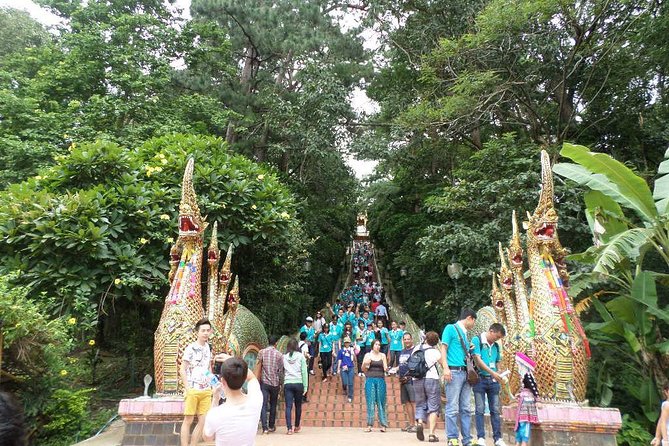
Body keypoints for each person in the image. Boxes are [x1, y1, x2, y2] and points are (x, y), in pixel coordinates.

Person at [440, 308, 478, 446]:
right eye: (474, 322)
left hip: (466, 373)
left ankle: (467, 439)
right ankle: (452, 438)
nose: (473, 325)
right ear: (469, 318)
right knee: (452, 407)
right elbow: (443, 348)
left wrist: (470, 349)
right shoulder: (450, 328)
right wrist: (445, 368)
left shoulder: (465, 334)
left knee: (466, 408)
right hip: (454, 372)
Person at [472, 323, 507, 446]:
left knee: (495, 410)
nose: (497, 339)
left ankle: (498, 438)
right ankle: (481, 437)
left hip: (493, 381)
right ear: (491, 331)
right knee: (480, 409)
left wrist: (500, 374)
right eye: (496, 337)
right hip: (479, 379)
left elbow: (497, 362)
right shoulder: (477, 340)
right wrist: (493, 373)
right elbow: (478, 361)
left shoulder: (496, 346)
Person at [180, 318, 214, 446]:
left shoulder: (208, 348)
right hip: (193, 389)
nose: (205, 333)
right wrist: (188, 388)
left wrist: (212, 384)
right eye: (203, 330)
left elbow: (208, 367)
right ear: (197, 332)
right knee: (188, 420)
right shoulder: (191, 348)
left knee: (203, 421)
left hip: (206, 390)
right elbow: (182, 369)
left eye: (207, 330)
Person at [414, 331, 443, 443]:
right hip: (431, 379)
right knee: (433, 405)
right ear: (435, 342)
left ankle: (420, 422)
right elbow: (443, 363)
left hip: (417, 379)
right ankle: (431, 434)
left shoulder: (417, 348)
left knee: (420, 403)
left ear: (425, 339)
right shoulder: (435, 352)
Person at [256, 335, 284, 435]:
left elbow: (258, 366)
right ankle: (271, 426)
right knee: (273, 404)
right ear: (276, 343)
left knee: (263, 405)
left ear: (268, 342)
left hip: (264, 383)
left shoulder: (261, 352)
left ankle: (265, 428)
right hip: (275, 383)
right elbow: (280, 371)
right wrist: (281, 383)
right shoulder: (279, 355)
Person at [362, 339, 388, 432]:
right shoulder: (367, 355)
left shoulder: (383, 355)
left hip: (380, 379)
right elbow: (363, 369)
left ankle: (383, 425)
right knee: (370, 401)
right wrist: (365, 363)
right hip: (370, 379)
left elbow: (385, 367)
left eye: (379, 345)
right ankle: (369, 425)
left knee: (381, 402)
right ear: (372, 345)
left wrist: (387, 368)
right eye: (376, 344)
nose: (378, 346)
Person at [283, 338, 309, 435]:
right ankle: (297, 426)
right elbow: (304, 372)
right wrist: (305, 386)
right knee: (298, 406)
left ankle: (289, 428)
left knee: (288, 406)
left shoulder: (284, 357)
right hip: (298, 383)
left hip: (288, 383)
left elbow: (282, 370)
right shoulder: (301, 356)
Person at [514, 353, 539, 446]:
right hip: (525, 400)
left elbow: (532, 388)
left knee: (523, 421)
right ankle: (521, 441)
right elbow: (532, 388)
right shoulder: (526, 375)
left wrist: (537, 399)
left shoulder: (526, 375)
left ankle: (521, 442)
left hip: (526, 400)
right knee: (523, 421)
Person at [398, 332, 417, 434]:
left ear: (412, 339)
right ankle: (411, 424)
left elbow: (415, 365)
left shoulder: (414, 351)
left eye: (408, 339)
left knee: (414, 402)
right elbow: (401, 364)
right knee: (407, 402)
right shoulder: (402, 351)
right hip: (402, 380)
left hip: (411, 380)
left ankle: (418, 425)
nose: (406, 341)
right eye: (405, 339)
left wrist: (409, 375)